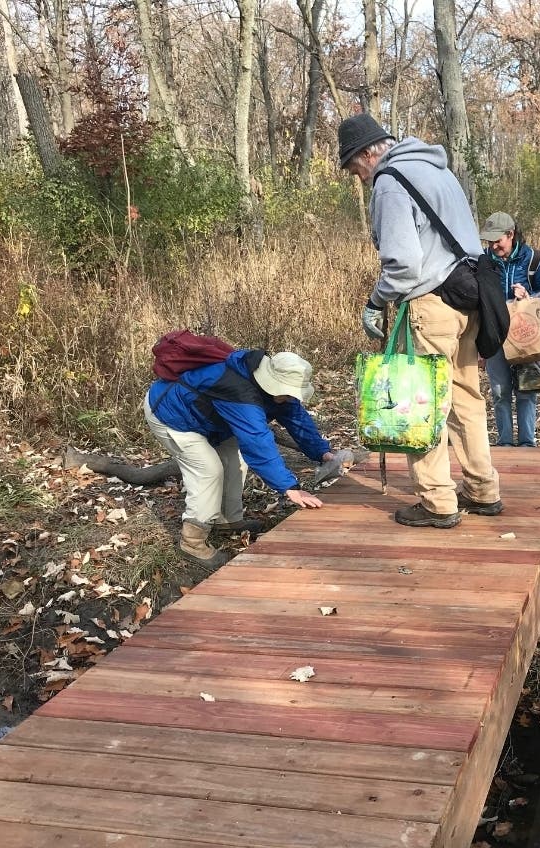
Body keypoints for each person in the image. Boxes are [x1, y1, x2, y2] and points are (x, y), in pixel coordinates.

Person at [337, 112, 502, 528]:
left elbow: (405, 264)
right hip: (468, 299)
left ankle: (436, 502)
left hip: (430, 303)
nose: (359, 179)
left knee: (419, 402)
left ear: (366, 155)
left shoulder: (390, 182)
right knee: (465, 397)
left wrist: (376, 301)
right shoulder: (436, 170)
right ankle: (483, 490)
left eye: (355, 169)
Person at [145, 349, 340, 568]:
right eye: (288, 393)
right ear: (272, 383)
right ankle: (192, 542)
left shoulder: (278, 390)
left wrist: (322, 452)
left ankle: (227, 520)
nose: (290, 397)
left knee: (236, 460)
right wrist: (289, 487)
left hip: (211, 421)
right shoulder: (240, 392)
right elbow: (257, 442)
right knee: (208, 470)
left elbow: (298, 420)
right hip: (171, 414)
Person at [479, 212, 540, 447]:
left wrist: (529, 296)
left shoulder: (533, 259)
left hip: (526, 334)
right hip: (494, 335)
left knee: (526, 390)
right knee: (500, 391)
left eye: (497, 240)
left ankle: (527, 444)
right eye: (489, 241)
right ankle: (504, 443)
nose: (493, 246)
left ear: (510, 235)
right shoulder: (483, 260)